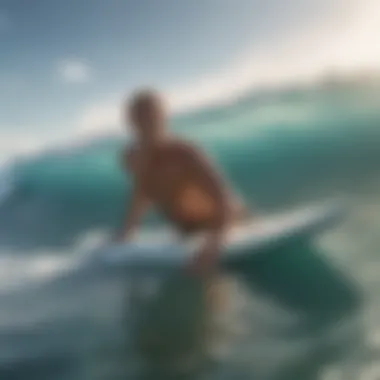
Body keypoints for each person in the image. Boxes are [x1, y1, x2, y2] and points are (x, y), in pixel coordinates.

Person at [115, 88, 247, 277]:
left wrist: (214, 245)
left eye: (152, 118)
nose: (147, 125)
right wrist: (126, 232)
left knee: (208, 283)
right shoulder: (134, 160)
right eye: (141, 120)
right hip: (188, 232)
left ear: (163, 117)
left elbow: (224, 198)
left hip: (225, 223)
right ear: (132, 124)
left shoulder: (184, 153)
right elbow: (141, 196)